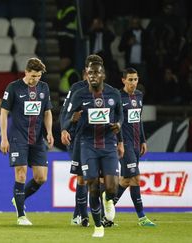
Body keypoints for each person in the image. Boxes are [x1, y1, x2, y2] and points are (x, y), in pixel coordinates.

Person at [61, 61, 123, 237]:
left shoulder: (114, 94)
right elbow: (66, 116)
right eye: (90, 73)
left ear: (103, 75)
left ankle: (109, 199)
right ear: (86, 74)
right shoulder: (79, 95)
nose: (93, 76)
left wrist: (119, 129)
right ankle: (98, 226)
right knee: (93, 186)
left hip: (108, 144)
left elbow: (120, 116)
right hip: (87, 144)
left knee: (112, 187)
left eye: (96, 73)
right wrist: (70, 122)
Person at [0, 58, 53, 226]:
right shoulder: (14, 87)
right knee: (21, 173)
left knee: (41, 177)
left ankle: (19, 199)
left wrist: (49, 132)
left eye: (38, 76)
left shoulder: (44, 88)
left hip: (37, 139)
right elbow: (3, 113)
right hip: (18, 137)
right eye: (33, 75)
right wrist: (4, 137)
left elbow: (47, 112)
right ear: (26, 72)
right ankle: (21, 215)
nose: (35, 79)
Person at [60, 54, 103, 227]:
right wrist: (65, 127)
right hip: (80, 137)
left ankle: (100, 215)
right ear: (85, 71)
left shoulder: (106, 89)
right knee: (82, 176)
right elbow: (66, 112)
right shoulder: (77, 89)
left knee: (99, 178)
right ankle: (79, 214)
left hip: (101, 139)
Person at [112, 68, 156, 227]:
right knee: (135, 178)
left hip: (137, 143)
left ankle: (107, 209)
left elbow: (138, 119)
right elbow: (115, 124)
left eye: (135, 79)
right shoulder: (117, 97)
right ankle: (142, 217)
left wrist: (143, 140)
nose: (133, 83)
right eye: (130, 80)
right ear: (123, 80)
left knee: (125, 181)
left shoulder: (138, 95)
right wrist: (119, 142)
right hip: (125, 143)